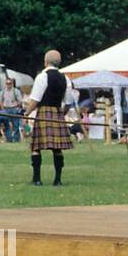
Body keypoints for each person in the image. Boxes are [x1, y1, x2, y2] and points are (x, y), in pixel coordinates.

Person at [23, 50, 73, 186]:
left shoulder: (42, 76)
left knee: (36, 147)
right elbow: (68, 101)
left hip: (44, 112)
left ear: (45, 62)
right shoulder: (66, 78)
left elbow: (35, 100)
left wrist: (26, 114)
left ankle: (37, 180)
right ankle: (57, 180)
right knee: (57, 148)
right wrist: (62, 113)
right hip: (57, 112)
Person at [0, 78, 23, 143]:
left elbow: (20, 101)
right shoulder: (3, 91)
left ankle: (16, 139)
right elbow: (0, 101)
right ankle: (8, 139)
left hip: (14, 109)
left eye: (10, 83)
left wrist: (16, 105)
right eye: (7, 83)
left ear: (12, 84)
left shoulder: (16, 91)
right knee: (6, 125)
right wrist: (3, 109)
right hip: (6, 109)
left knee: (15, 124)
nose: (8, 85)